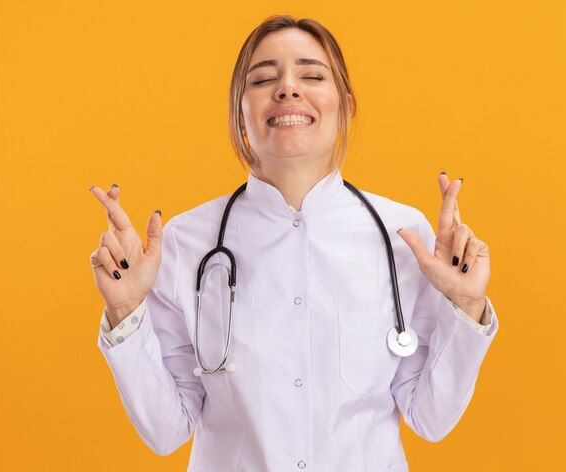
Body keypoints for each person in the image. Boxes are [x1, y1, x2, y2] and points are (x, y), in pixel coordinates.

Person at [89, 15, 498, 471]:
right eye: (263, 78)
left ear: (346, 105)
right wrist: (125, 312)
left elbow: (430, 417)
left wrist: (466, 305)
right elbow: (166, 431)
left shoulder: (405, 237)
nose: (287, 88)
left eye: (311, 75)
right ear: (239, 110)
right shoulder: (184, 244)